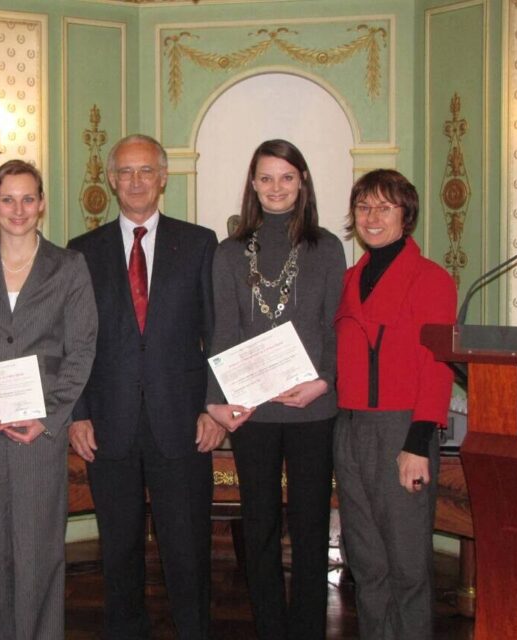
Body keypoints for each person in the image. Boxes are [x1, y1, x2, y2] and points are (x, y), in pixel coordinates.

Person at [67, 134, 222, 639]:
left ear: (162, 179)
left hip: (182, 422)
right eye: (125, 172)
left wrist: (214, 409)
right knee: (119, 550)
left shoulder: (198, 243)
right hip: (108, 425)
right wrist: (78, 413)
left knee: (188, 550)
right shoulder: (82, 251)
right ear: (111, 180)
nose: (135, 181)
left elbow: (218, 332)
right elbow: (75, 342)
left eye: (145, 171)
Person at [0, 159, 98, 640]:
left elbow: (82, 346)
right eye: (7, 199)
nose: (19, 209)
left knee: (38, 552)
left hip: (38, 427)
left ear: (42, 204)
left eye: (29, 198)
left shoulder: (69, 267)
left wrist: (49, 418)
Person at [206, 139, 346, 639]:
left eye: (286, 177)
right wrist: (215, 400)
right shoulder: (228, 253)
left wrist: (324, 381)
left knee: (309, 528)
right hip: (253, 414)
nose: (276, 188)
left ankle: (307, 629)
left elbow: (337, 326)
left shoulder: (327, 247)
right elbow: (222, 331)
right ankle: (269, 626)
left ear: (302, 182)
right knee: (259, 528)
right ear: (252, 184)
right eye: (266, 178)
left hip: (313, 410)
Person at [333, 169, 456, 640]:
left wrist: (417, 443)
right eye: (364, 206)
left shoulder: (431, 280)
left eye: (385, 206)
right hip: (349, 429)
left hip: (403, 429)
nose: (372, 216)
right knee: (365, 561)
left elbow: (437, 368)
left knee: (407, 565)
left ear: (406, 215)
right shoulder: (349, 279)